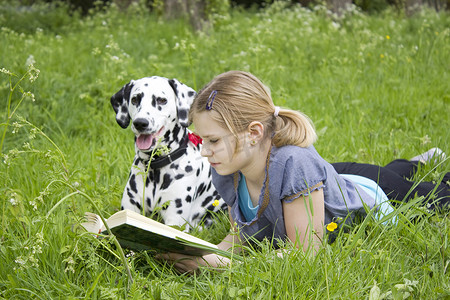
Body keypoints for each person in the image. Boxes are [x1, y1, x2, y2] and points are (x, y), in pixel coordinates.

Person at [158, 70, 449, 273]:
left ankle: (415, 168)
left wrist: (222, 267)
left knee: (436, 197)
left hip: (373, 194)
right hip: (324, 180)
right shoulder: (227, 166)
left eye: (212, 141)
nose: (204, 151)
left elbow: (306, 253)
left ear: (254, 133)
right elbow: (239, 236)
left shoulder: (297, 165)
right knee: (383, 171)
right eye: (200, 140)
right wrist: (199, 256)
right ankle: (413, 162)